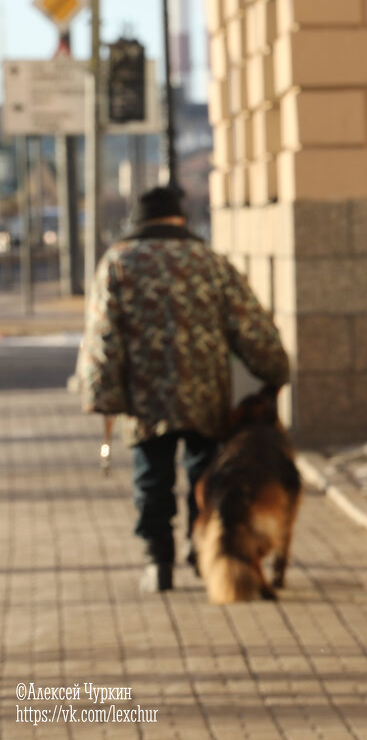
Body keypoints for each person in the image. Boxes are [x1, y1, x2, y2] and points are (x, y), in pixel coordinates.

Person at [78, 186, 290, 593]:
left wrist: (103, 396)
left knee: (151, 478)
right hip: (206, 393)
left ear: (138, 221)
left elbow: (103, 337)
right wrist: (274, 369)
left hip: (145, 399)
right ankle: (203, 554)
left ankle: (158, 562)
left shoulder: (118, 263)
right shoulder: (209, 262)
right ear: (180, 218)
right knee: (205, 475)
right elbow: (249, 324)